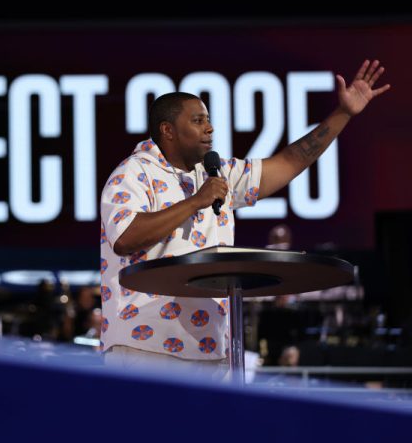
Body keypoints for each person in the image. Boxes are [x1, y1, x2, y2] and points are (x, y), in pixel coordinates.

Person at [100, 59, 390, 378]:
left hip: (212, 348)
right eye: (198, 121)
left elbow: (289, 162)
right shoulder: (133, 173)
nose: (209, 128)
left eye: (208, 120)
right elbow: (125, 238)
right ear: (167, 130)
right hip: (146, 347)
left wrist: (343, 113)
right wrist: (196, 201)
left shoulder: (216, 173)